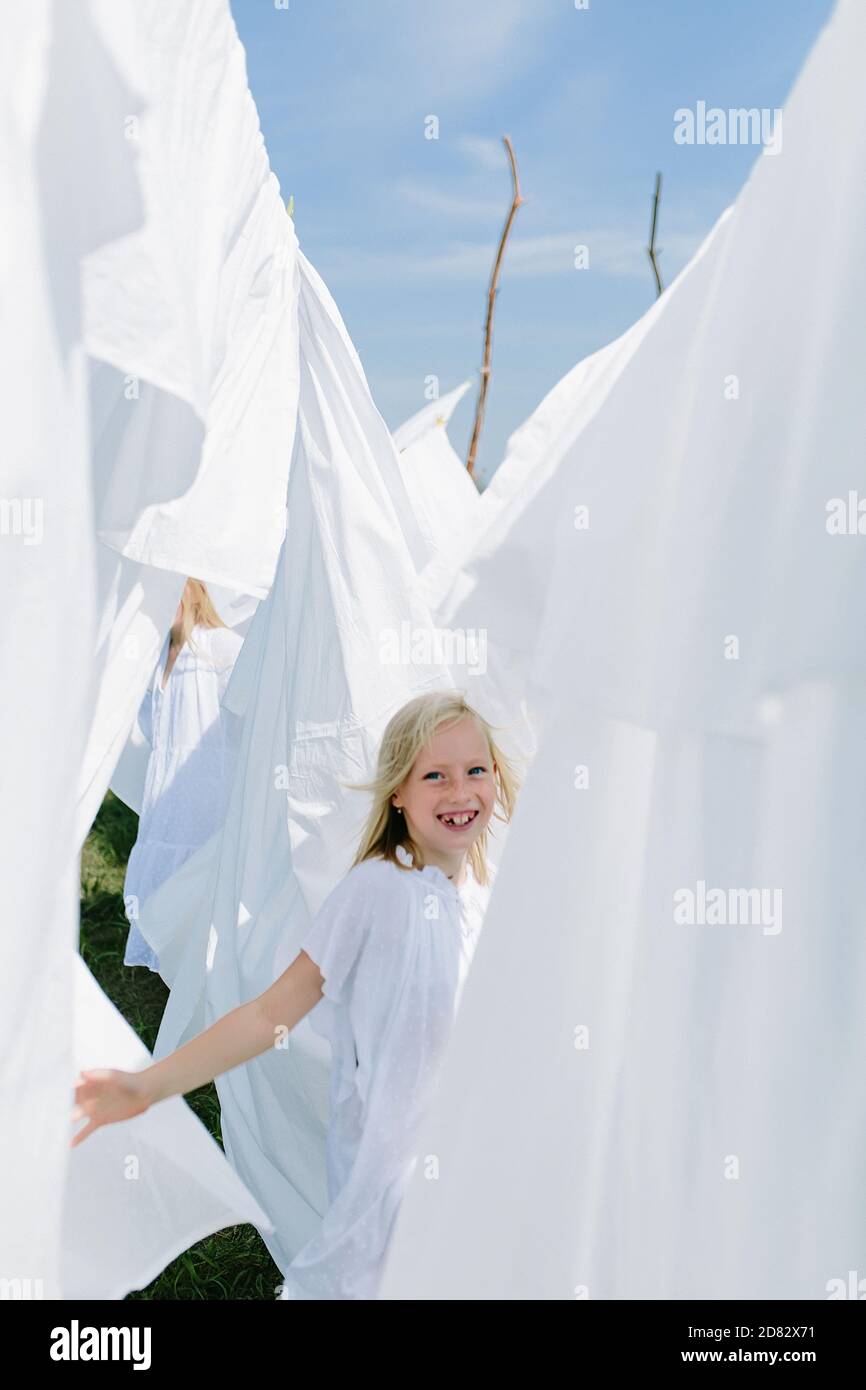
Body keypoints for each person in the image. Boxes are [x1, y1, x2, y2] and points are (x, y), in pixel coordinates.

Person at [72, 691, 519, 1299]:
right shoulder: (377, 891)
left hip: (478, 1168)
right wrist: (148, 1085)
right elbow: (269, 1014)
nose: (460, 791)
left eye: (475, 770)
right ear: (398, 792)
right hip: (391, 1185)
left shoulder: (488, 895)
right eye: (434, 776)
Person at [122, 578, 244, 972]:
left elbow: (248, 711)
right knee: (164, 880)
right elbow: (150, 722)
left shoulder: (218, 646)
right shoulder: (159, 656)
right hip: (168, 792)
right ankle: (170, 965)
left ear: (189, 591)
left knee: (199, 881)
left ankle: (203, 970)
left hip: (204, 789)